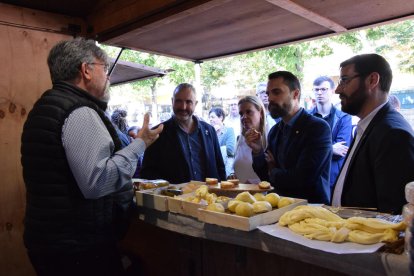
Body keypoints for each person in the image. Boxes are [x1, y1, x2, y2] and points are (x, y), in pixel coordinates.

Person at [20, 38, 163, 276]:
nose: (109, 77)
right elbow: (98, 182)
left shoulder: (44, 107)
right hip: (78, 249)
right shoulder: (79, 111)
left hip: (51, 243)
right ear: (86, 70)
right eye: (105, 68)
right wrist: (140, 144)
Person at [332, 54, 414, 214]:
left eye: (344, 81)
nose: (338, 90)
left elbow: (392, 215)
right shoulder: (368, 125)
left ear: (372, 80)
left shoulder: (393, 134)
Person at [249, 71, 332, 204]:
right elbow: (266, 178)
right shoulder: (275, 131)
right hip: (279, 209)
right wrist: (258, 151)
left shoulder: (317, 128)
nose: (270, 98)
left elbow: (303, 178)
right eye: (268, 93)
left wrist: (273, 170)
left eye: (276, 92)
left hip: (311, 210)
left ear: (295, 94)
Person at [140, 83, 226, 183]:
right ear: (172, 101)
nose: (183, 107)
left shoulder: (209, 130)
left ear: (196, 104)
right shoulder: (157, 133)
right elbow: (148, 174)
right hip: (174, 197)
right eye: (178, 101)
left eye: (188, 102)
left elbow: (220, 168)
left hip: (210, 196)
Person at [309, 76, 352, 192]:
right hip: (310, 175)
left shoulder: (344, 117)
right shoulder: (305, 118)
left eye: (324, 89)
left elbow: (341, 150)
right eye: (316, 90)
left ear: (332, 91)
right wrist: (331, 148)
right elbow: (301, 148)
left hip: (333, 177)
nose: (319, 93)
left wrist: (314, 149)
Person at [231, 96, 269, 184]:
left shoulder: (270, 137)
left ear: (261, 113)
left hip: (263, 196)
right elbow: (240, 168)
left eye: (249, 112)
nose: (244, 117)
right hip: (240, 195)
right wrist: (232, 175)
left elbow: (272, 175)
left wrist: (255, 183)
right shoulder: (239, 139)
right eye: (241, 114)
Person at [208, 107, 236, 177]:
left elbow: (230, 150)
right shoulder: (208, 132)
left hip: (227, 166)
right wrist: (213, 133)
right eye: (209, 117)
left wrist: (215, 150)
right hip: (212, 165)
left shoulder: (229, 130)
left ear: (220, 117)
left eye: (213, 117)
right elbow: (207, 150)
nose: (210, 119)